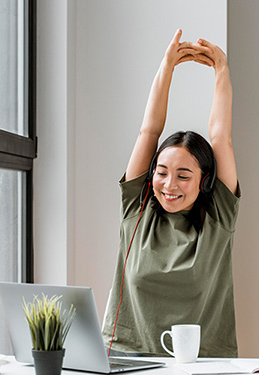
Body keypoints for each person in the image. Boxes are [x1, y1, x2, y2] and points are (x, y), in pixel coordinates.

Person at [102, 29, 239, 358]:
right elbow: (149, 129)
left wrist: (221, 70)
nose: (168, 184)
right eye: (161, 173)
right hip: (126, 358)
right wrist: (167, 66)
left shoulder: (218, 217)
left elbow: (220, 138)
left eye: (183, 175)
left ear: (205, 181)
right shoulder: (137, 207)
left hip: (204, 365)